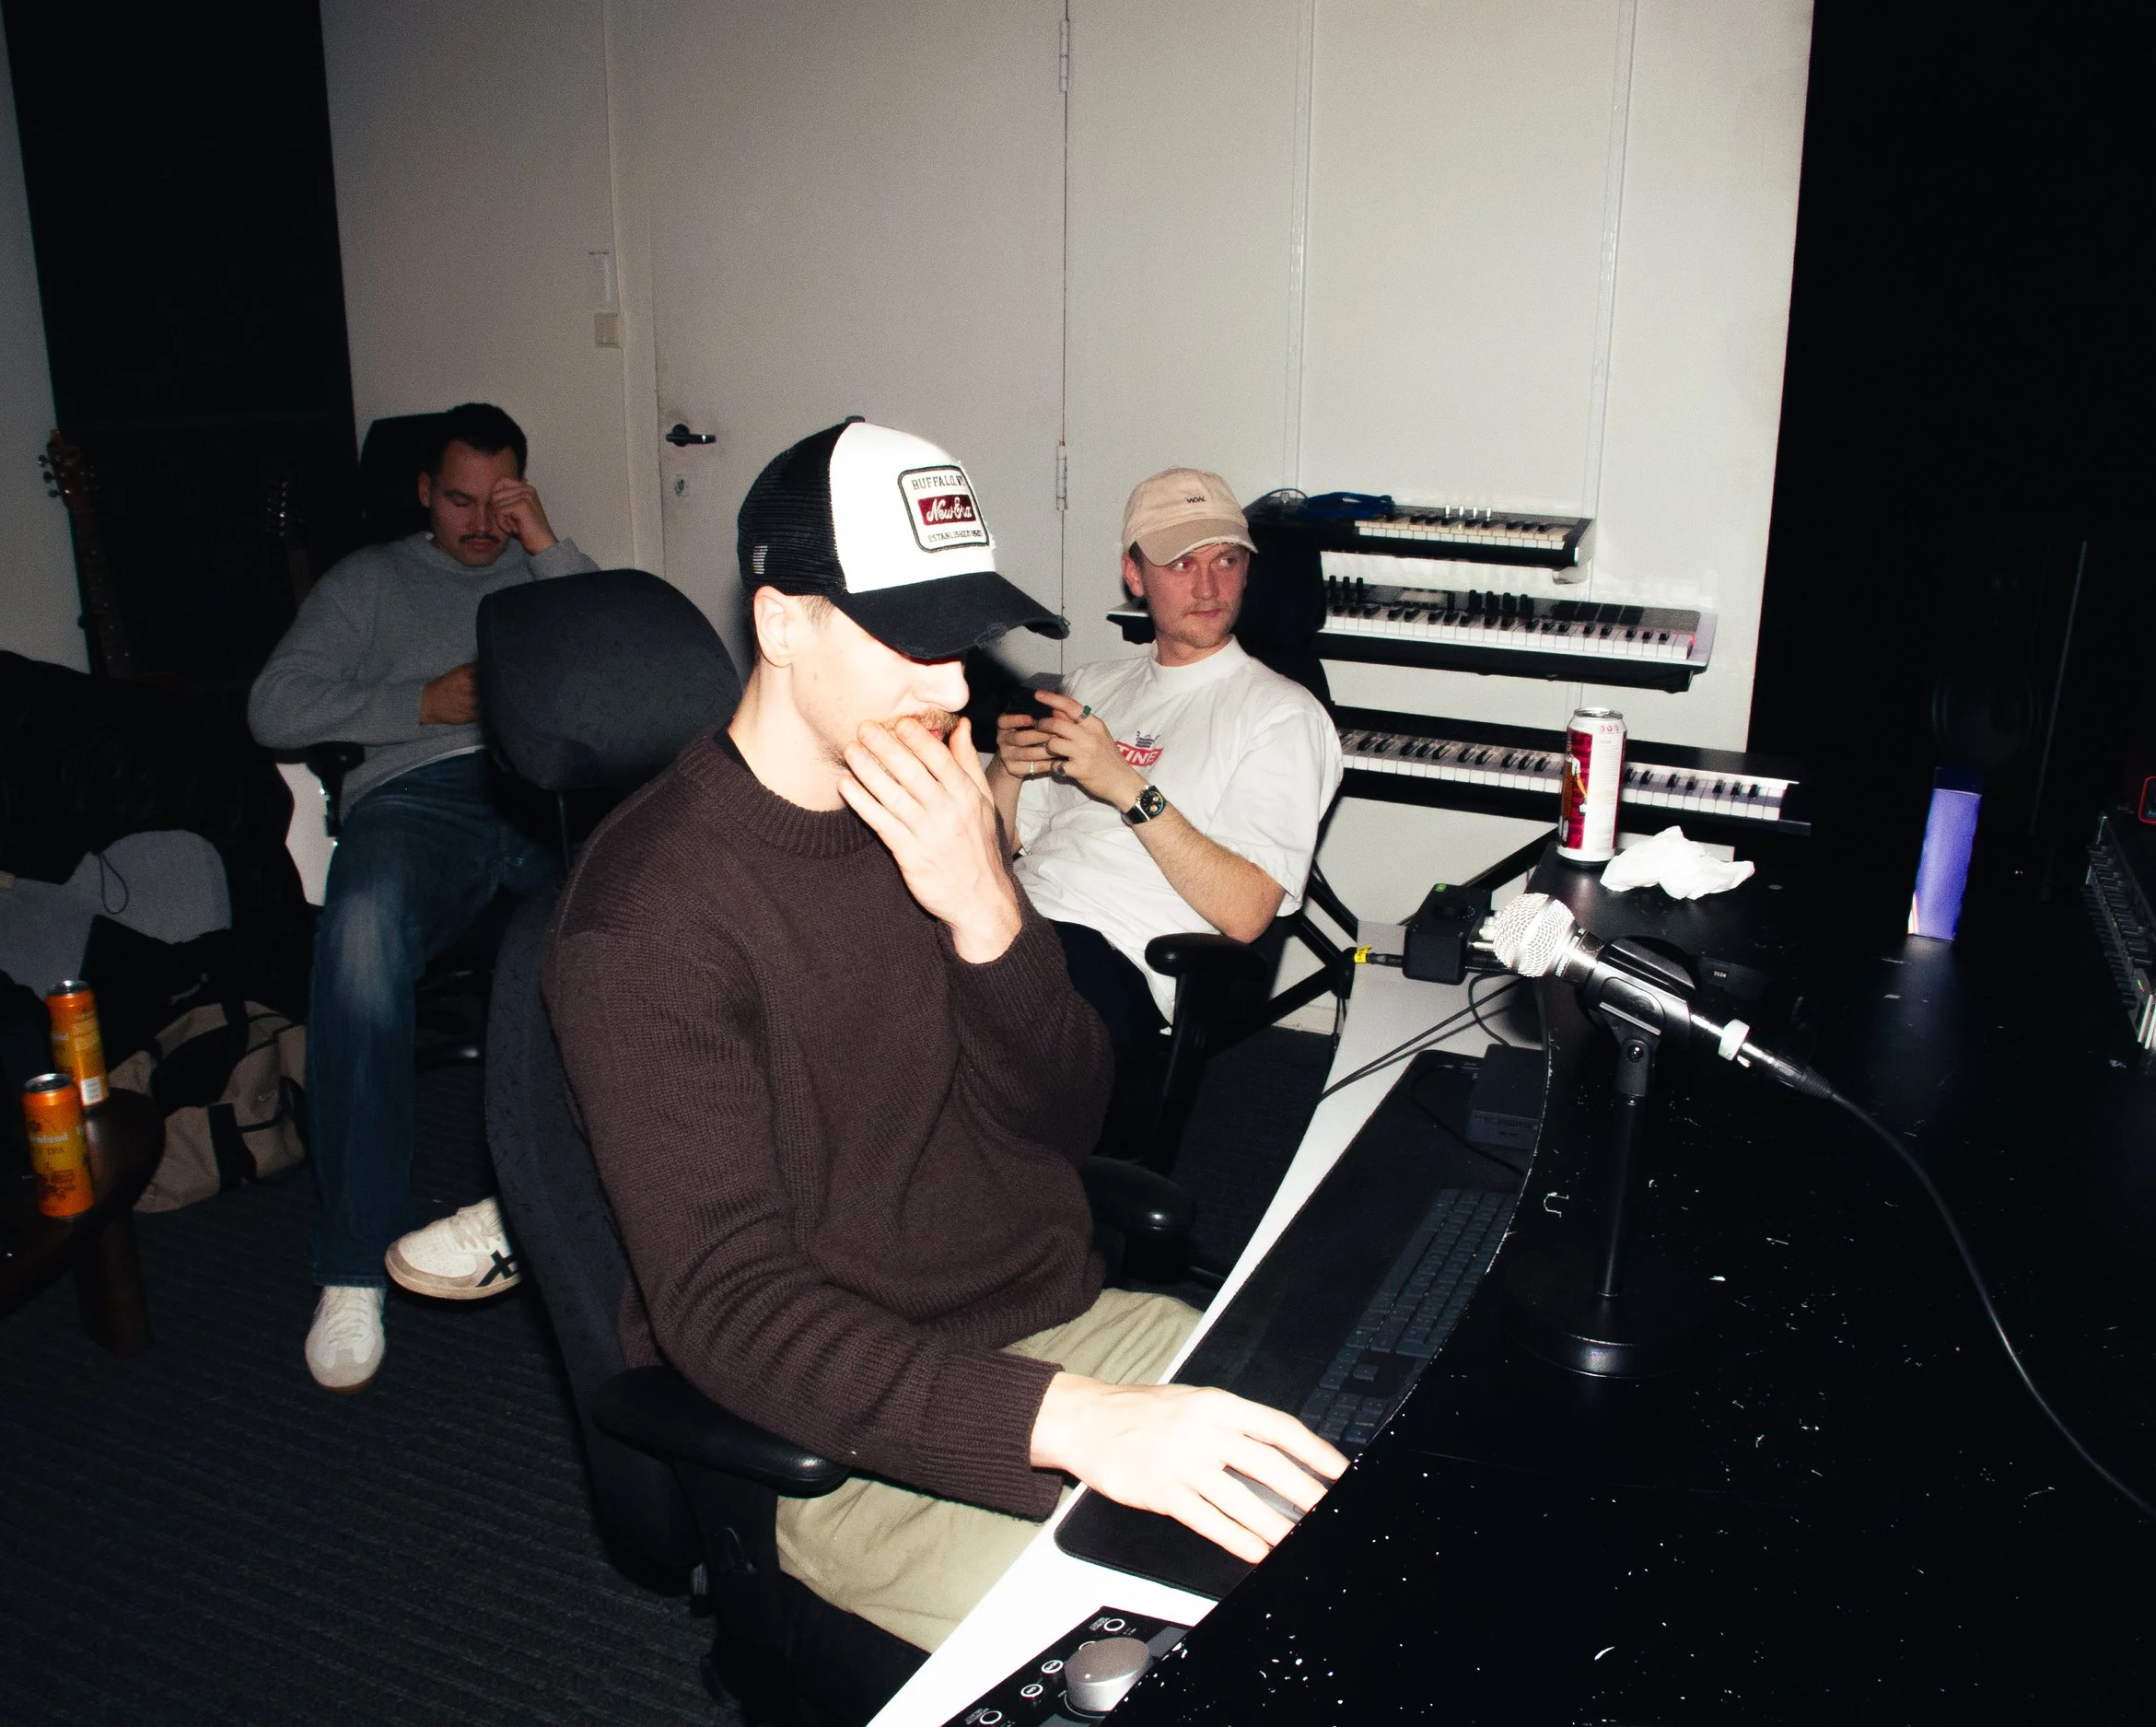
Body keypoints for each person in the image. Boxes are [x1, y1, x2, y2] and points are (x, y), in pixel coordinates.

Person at [545, 420, 1345, 1658]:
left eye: (959, 636)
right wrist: (1078, 1421)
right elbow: (731, 1309)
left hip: (1049, 1320)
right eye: (909, 640)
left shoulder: (920, 801)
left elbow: (1066, 1119)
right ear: (782, 623)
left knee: (1377, 1464)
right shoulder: (648, 916)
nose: (954, 685)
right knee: (1249, 1638)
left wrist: (986, 910)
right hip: (853, 1428)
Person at [250, 402, 597, 1392]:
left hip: (543, 794)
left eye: (502, 502)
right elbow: (272, 707)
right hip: (415, 802)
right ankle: (355, 1268)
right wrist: (417, 705)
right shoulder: (368, 583)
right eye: (459, 500)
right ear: (421, 493)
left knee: (644, 917)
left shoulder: (544, 572)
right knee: (357, 943)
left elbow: (622, 661)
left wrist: (548, 544)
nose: (480, 524)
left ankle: (606, 1205)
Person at [988, 467, 1343, 1068]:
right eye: (1182, 564)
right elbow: (997, 847)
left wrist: (1126, 785)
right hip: (1017, 919)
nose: (1209, 585)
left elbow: (1247, 911)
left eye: (1226, 560)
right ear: (1135, 575)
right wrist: (1007, 770)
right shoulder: (1092, 686)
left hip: (1116, 957)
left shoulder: (1285, 714)